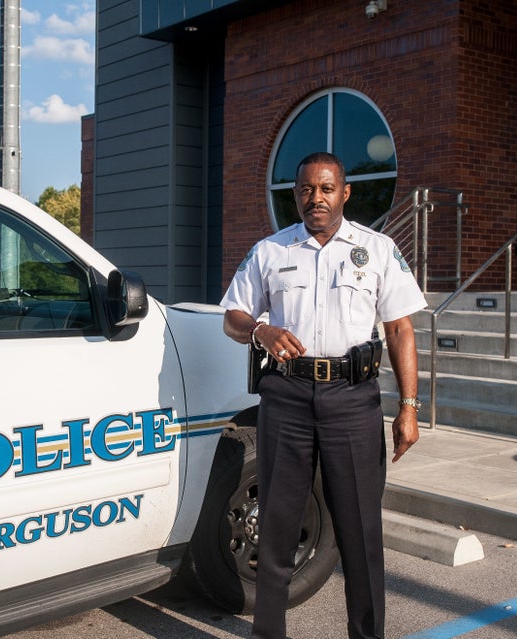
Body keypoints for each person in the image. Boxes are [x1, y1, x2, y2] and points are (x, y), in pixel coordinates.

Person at [220, 151, 426, 639]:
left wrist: (409, 409)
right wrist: (261, 333)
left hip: (353, 401)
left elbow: (400, 330)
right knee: (277, 529)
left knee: (360, 535)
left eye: (327, 188)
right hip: (286, 398)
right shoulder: (270, 251)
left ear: (345, 192)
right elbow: (232, 316)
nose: (317, 198)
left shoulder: (376, 249)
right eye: (307, 190)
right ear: (296, 195)